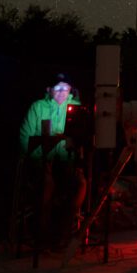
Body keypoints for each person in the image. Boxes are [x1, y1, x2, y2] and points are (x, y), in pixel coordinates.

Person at [19, 73, 87, 249]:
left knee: (80, 185)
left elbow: (81, 138)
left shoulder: (76, 108)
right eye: (58, 87)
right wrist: (42, 155)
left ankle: (61, 235)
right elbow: (25, 139)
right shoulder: (38, 107)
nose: (62, 92)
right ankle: (43, 237)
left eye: (66, 88)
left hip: (66, 164)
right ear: (49, 90)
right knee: (46, 184)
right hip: (41, 162)